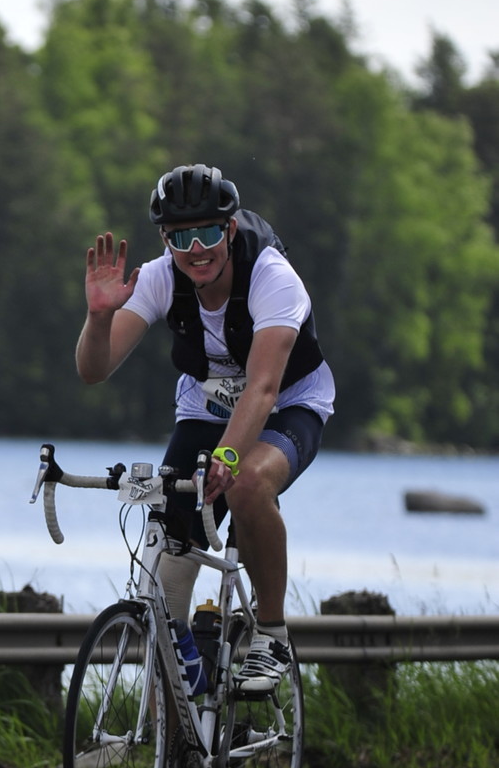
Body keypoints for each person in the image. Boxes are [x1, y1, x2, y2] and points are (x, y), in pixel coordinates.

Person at [75, 162, 335, 695]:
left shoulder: (272, 277)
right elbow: (93, 370)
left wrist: (230, 458)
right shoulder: (158, 279)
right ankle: (179, 717)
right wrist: (99, 317)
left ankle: (271, 634)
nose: (196, 249)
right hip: (205, 409)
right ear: (165, 241)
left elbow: (263, 388)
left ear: (230, 229)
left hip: (289, 402)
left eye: (209, 233)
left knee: (246, 483)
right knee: (167, 571)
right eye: (180, 237)